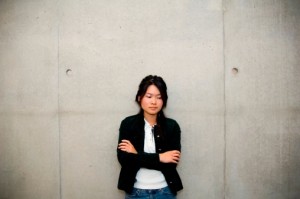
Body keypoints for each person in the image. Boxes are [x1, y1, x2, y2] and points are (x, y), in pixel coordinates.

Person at [117, 75, 183, 199]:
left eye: (159, 97)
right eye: (149, 96)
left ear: (164, 100)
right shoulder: (128, 124)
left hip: (165, 191)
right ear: (139, 98)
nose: (154, 102)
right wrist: (160, 157)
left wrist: (136, 154)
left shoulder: (172, 126)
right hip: (135, 192)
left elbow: (171, 163)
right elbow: (124, 160)